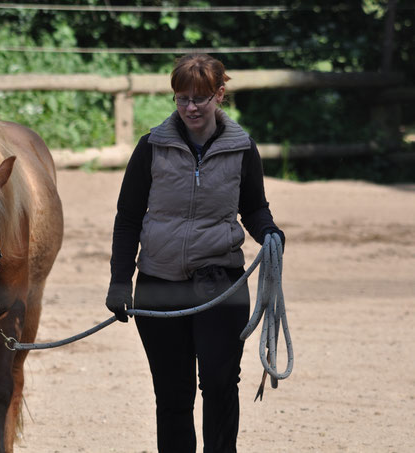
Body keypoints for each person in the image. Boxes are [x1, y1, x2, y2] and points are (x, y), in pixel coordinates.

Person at [105, 54, 285, 453]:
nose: (189, 107)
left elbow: (253, 207)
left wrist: (269, 231)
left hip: (219, 284)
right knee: (172, 394)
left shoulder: (242, 149)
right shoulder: (151, 147)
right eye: (181, 98)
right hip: (159, 284)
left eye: (199, 99)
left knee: (221, 384)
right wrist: (120, 281)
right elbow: (128, 217)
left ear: (219, 95)